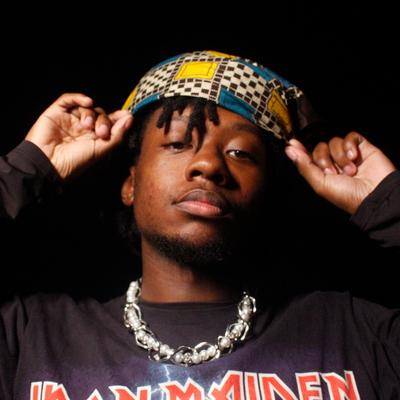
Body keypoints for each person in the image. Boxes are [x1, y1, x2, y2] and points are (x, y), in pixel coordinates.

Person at [0, 50, 399, 399]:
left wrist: (388, 205)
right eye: (177, 143)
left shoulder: (359, 336)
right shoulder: (31, 338)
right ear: (131, 184)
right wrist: (27, 171)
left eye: (240, 152)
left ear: (266, 193)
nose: (209, 165)